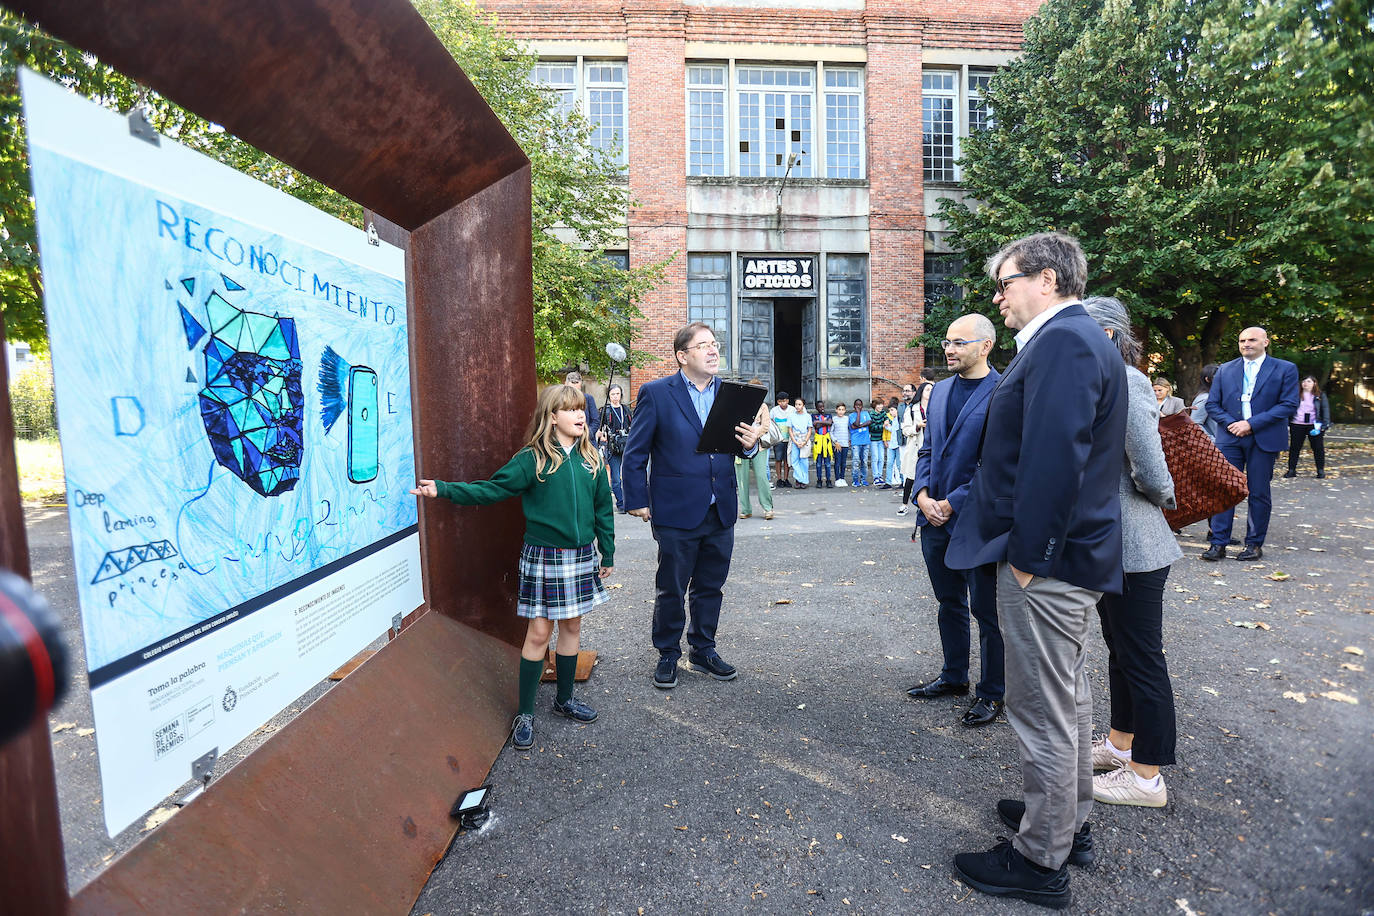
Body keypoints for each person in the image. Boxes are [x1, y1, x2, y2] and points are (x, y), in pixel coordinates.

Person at [946, 232, 1127, 908]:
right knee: (1069, 701)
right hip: (1063, 560)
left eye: (1006, 282)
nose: (999, 296)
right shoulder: (1074, 341)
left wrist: (1028, 561)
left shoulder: (1065, 343)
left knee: (1043, 710)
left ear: (1046, 279)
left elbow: (1055, 463)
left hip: (1046, 566)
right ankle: (1065, 822)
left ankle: (1039, 858)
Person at [411, 384, 613, 751]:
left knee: (572, 625)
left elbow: (603, 511)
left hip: (581, 557)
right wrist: (443, 489)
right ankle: (526, 712)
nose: (580, 415)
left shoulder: (593, 460)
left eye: (582, 408)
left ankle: (564, 700)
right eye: (570, 410)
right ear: (552, 418)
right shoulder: (532, 459)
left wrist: (608, 554)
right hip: (544, 557)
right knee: (538, 633)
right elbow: (491, 490)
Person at [1082, 297, 1182, 809]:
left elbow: (1150, 464)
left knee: (1142, 656)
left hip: (1138, 542)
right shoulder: (1103, 378)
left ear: (1110, 335)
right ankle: (1122, 745)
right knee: (1120, 651)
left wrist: (1165, 498)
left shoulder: (1127, 378)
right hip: (1113, 543)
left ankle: (1146, 778)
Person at [622, 322, 762, 689]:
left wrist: (751, 444)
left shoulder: (733, 395)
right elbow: (634, 454)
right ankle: (668, 653)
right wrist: (636, 499)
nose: (714, 350)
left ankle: (703, 649)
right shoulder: (656, 393)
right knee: (671, 587)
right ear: (683, 356)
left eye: (715, 344)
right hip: (675, 509)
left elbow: (740, 445)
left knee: (710, 586)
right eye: (703, 346)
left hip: (721, 508)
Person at [908, 313, 1004, 728]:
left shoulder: (1003, 391)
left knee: (987, 611)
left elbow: (996, 464)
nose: (948, 349)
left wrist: (953, 502)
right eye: (947, 342)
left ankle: (992, 692)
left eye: (959, 342)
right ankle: (953, 677)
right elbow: (928, 448)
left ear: (985, 346)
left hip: (976, 521)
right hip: (933, 519)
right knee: (948, 603)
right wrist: (924, 495)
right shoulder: (941, 390)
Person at [1203, 326, 1300, 561]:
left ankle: (1254, 544)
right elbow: (1212, 404)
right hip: (1230, 438)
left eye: (1252, 340)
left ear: (1265, 342)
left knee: (1259, 493)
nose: (1246, 344)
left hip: (1263, 438)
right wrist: (1232, 424)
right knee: (1225, 490)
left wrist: (1251, 424)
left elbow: (1288, 404)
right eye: (1242, 340)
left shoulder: (1285, 369)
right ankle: (1218, 543)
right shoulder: (1225, 370)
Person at [737, 381, 774, 520]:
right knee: (742, 478)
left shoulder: (763, 406)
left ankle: (768, 508)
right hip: (739, 445)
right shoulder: (739, 404)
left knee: (761, 476)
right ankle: (746, 509)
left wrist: (752, 434)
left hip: (759, 445)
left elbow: (765, 426)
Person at [1284, 375, 1331, 478]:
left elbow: (1325, 409)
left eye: (1309, 381)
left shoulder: (1320, 395)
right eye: (1304, 381)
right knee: (1294, 448)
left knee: (1318, 448)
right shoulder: (1295, 395)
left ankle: (1320, 470)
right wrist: (1287, 422)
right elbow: (1288, 408)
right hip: (1297, 424)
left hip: (1314, 425)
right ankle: (1291, 470)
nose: (1306, 383)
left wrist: (1325, 424)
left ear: (1314, 383)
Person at [597, 383, 631, 513]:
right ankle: (621, 503)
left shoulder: (626, 410)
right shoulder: (605, 411)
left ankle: (630, 501)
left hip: (627, 445)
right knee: (616, 477)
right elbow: (599, 430)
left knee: (628, 475)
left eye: (617, 394)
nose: (615, 397)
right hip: (612, 447)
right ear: (609, 396)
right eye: (613, 394)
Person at [898, 383, 927, 516]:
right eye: (927, 390)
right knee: (911, 477)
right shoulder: (911, 409)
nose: (930, 393)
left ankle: (924, 505)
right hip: (916, 447)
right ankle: (904, 504)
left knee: (927, 479)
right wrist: (918, 426)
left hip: (931, 448)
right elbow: (905, 430)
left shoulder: (937, 408)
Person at [788, 396, 814, 489]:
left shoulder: (807, 416)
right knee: (794, 460)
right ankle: (799, 479)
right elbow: (790, 429)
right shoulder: (791, 416)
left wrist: (805, 441)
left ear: (803, 405)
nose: (797, 406)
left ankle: (803, 480)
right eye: (796, 404)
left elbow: (809, 430)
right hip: (795, 439)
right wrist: (795, 441)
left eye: (799, 404)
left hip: (804, 439)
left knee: (804, 461)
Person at [565, 370, 599, 442]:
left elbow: (595, 421)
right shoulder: (560, 401)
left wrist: (586, 435)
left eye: (577, 390)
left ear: (580, 387)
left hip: (587, 442)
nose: (574, 393)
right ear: (565, 385)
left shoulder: (588, 399)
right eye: (571, 389)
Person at [769, 392, 793, 489]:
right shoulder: (774, 411)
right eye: (781, 401)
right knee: (778, 459)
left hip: (789, 439)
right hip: (778, 439)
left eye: (785, 400)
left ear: (788, 400)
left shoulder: (792, 409)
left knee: (787, 460)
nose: (783, 403)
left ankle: (786, 478)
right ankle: (779, 479)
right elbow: (770, 422)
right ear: (778, 402)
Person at [1190, 364, 1220, 439]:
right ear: (1208, 379)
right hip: (1215, 447)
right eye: (1218, 377)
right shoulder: (1205, 398)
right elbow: (1195, 424)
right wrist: (1212, 441)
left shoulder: (1214, 396)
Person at [812, 400, 835, 488]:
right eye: (820, 407)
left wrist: (818, 422)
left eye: (823, 406)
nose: (822, 408)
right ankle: (819, 480)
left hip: (826, 440)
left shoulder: (828, 415)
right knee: (818, 463)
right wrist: (823, 423)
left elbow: (829, 423)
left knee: (827, 463)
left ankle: (828, 480)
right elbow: (816, 426)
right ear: (816, 408)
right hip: (818, 440)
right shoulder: (814, 416)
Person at [849, 398, 872, 486]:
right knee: (856, 461)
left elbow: (869, 421)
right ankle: (855, 480)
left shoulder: (866, 413)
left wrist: (860, 425)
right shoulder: (851, 415)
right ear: (854, 406)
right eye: (856, 405)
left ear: (862, 406)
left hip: (865, 441)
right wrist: (858, 413)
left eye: (860, 405)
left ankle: (863, 478)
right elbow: (854, 425)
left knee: (864, 461)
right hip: (856, 442)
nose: (858, 406)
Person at [884, 397, 904, 490]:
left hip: (898, 444)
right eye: (890, 410)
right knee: (889, 463)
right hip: (892, 444)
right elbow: (893, 430)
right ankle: (888, 482)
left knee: (900, 464)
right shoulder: (894, 419)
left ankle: (903, 481)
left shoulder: (899, 419)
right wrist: (887, 426)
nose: (891, 412)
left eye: (892, 410)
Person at [869, 398, 889, 487]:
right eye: (878, 405)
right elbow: (872, 427)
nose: (881, 406)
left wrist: (886, 423)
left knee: (881, 458)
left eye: (881, 404)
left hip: (881, 439)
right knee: (875, 458)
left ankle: (880, 476)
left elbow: (889, 421)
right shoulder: (871, 414)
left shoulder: (883, 413)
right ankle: (875, 477)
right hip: (873, 439)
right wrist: (882, 426)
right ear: (875, 406)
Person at [832, 402, 851, 487]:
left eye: (842, 410)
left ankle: (842, 478)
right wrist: (835, 441)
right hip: (837, 444)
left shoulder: (847, 419)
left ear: (845, 411)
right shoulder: (834, 419)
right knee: (837, 462)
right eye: (839, 409)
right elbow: (831, 432)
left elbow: (849, 430)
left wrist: (849, 439)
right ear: (836, 410)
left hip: (845, 444)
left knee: (843, 462)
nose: (841, 411)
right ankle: (837, 479)